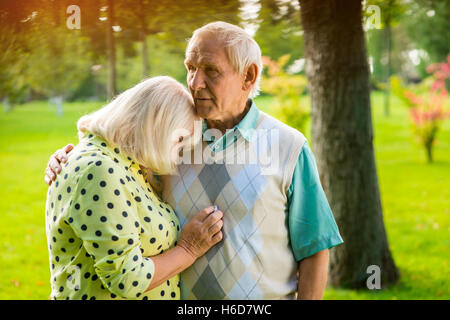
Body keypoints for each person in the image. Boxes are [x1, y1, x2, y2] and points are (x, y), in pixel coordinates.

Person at [45, 22, 343, 300]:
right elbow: (113, 172)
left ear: (248, 77)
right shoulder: (168, 139)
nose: (195, 82)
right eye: (190, 67)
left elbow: (315, 248)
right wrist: (70, 159)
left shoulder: (289, 146)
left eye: (211, 70)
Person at [44, 76, 224, 300]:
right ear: (155, 127)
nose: (178, 154)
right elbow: (127, 278)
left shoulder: (129, 164)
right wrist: (188, 250)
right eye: (178, 140)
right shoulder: (99, 169)